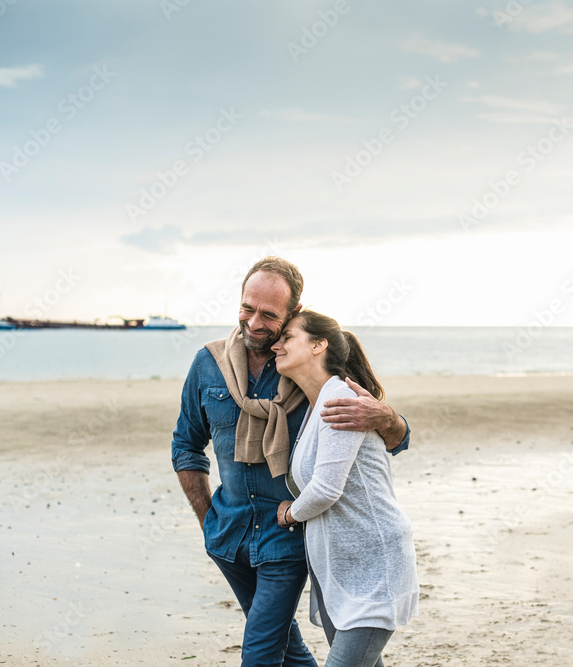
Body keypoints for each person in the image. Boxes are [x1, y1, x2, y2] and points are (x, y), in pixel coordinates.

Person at [171, 257, 411, 667]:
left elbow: (390, 441)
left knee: (261, 650)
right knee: (288, 648)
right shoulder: (208, 364)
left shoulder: (303, 371)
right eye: (247, 308)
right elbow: (185, 446)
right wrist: (207, 519)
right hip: (227, 534)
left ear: (293, 312)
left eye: (269, 315)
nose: (254, 323)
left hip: (287, 538)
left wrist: (387, 417)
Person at [275, 310, 419, 667]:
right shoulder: (314, 406)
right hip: (341, 572)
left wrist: (290, 514)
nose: (277, 345)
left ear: (318, 345)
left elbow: (326, 490)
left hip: (374, 567)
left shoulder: (340, 400)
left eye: (288, 337)